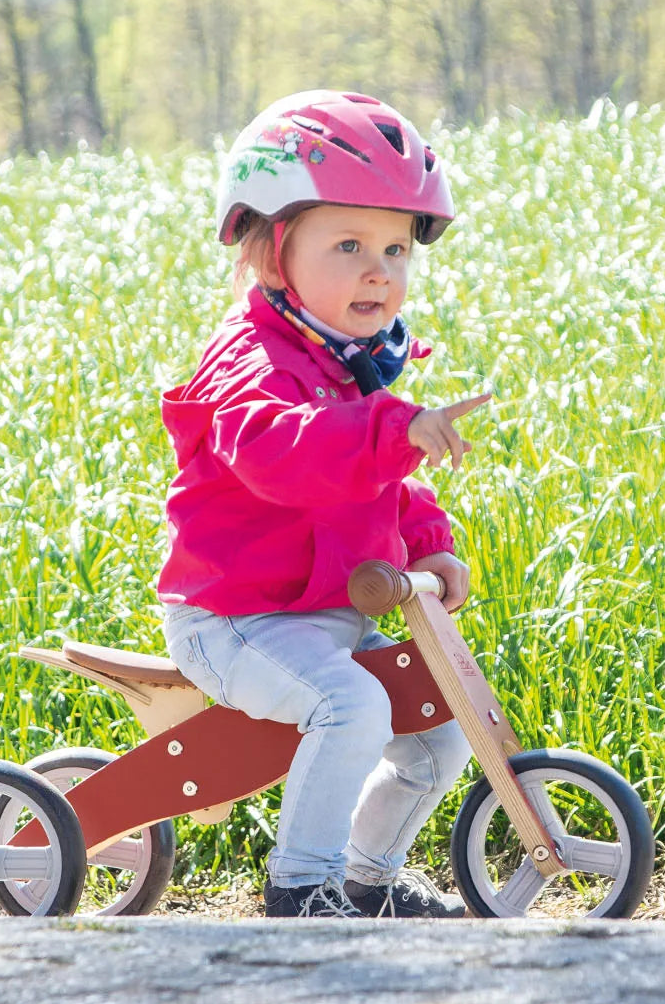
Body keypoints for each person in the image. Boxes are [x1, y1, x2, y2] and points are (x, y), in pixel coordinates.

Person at [157, 90, 490, 918]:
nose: (380, 268)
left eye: (395, 247)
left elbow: (374, 484)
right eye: (348, 244)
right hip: (237, 620)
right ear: (274, 253)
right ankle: (300, 885)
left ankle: (369, 877)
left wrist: (426, 544)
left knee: (437, 721)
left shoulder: (346, 360)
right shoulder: (249, 364)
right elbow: (288, 457)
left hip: (322, 612)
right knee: (354, 705)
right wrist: (397, 429)